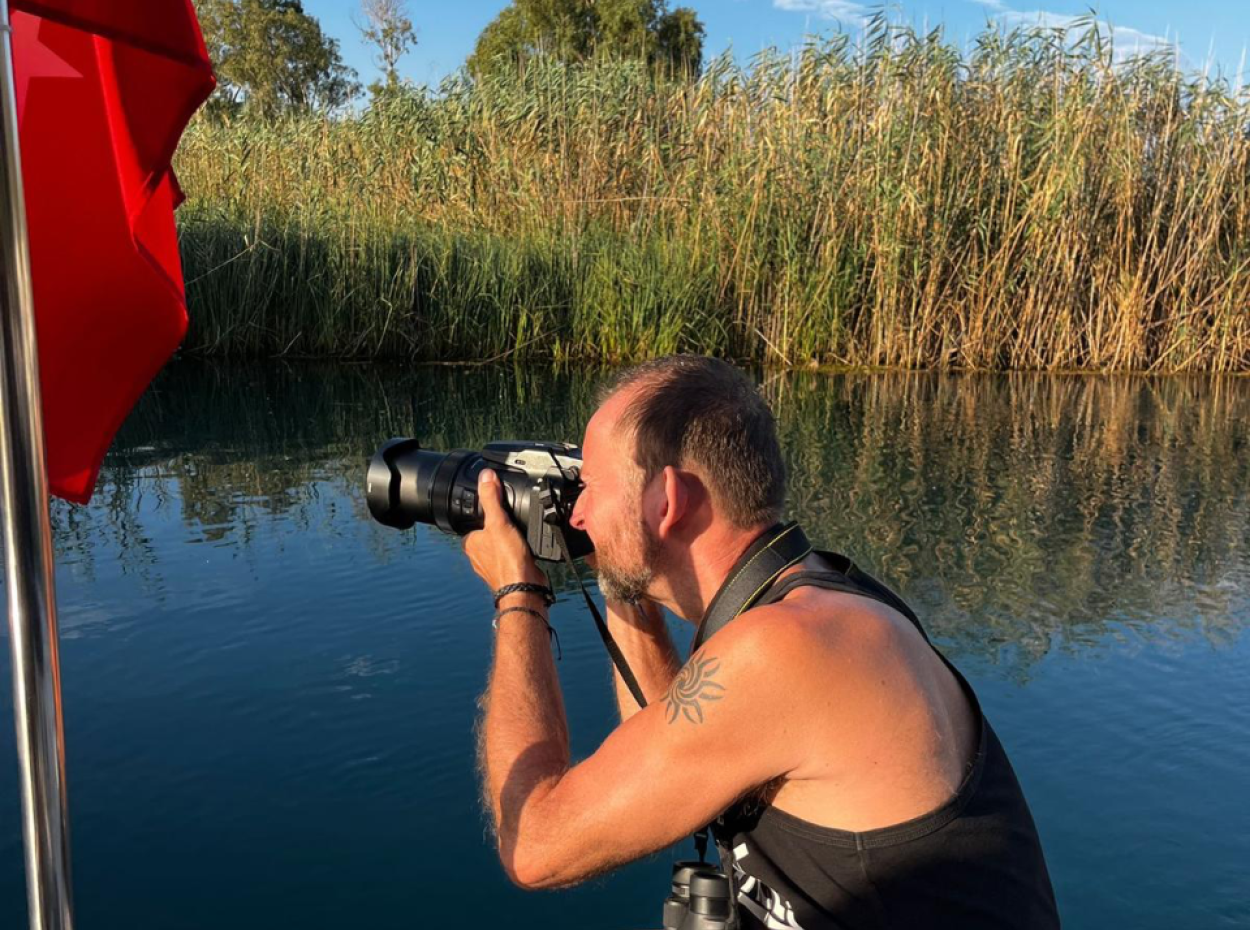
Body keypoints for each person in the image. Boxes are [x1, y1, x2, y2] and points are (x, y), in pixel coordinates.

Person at [463, 355, 1059, 929]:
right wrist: (621, 570)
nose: (578, 512)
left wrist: (518, 591)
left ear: (666, 501)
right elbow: (678, 753)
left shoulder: (785, 651)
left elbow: (536, 843)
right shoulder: (821, 598)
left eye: (590, 485)